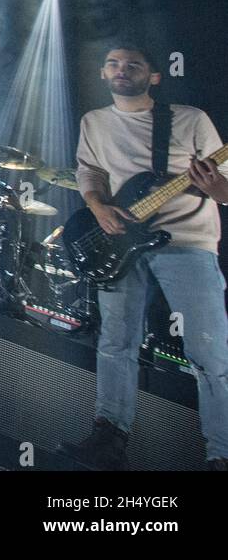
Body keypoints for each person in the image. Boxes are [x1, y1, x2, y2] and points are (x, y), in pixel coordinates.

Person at [63, 42, 228, 470]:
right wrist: (98, 208)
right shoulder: (94, 122)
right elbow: (89, 172)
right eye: (113, 64)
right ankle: (109, 440)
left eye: (133, 65)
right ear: (103, 73)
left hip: (188, 242)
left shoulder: (191, 120)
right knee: (115, 342)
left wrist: (213, 188)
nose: (122, 70)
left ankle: (220, 454)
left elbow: (225, 185)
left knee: (210, 354)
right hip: (121, 243)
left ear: (153, 76)